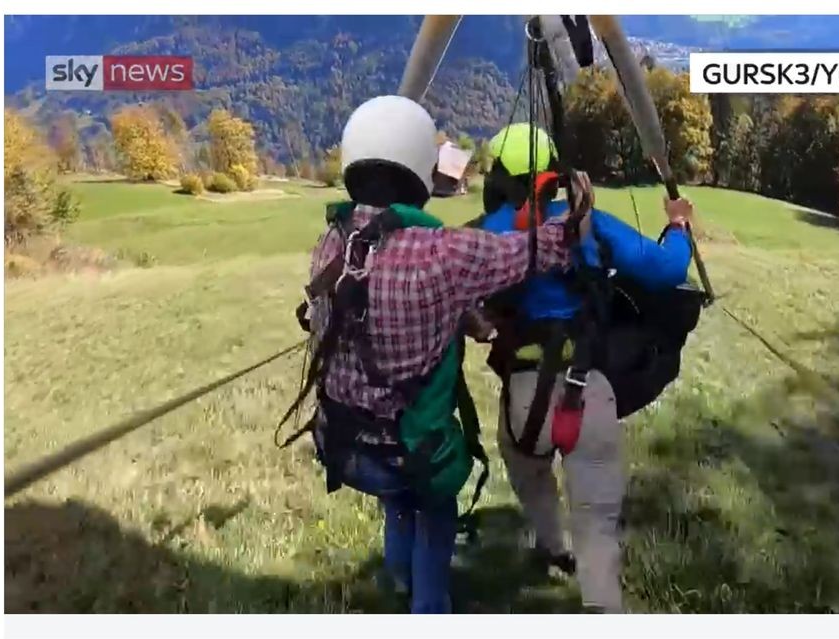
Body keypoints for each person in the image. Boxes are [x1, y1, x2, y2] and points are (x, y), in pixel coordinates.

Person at [286, 98, 593, 614]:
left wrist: (458, 315)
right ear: (416, 172)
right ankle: (429, 609)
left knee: (397, 501)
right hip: (409, 454)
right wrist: (572, 196)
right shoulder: (441, 253)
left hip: (345, 444)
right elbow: (552, 248)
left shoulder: (331, 245)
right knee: (432, 510)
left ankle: (397, 581)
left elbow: (377, 310)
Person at [473, 122, 697, 613]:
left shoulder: (488, 233)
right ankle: (601, 605)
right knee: (596, 517)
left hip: (525, 396)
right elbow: (665, 269)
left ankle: (553, 545)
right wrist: (678, 226)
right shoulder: (588, 224)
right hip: (586, 389)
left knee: (527, 467)